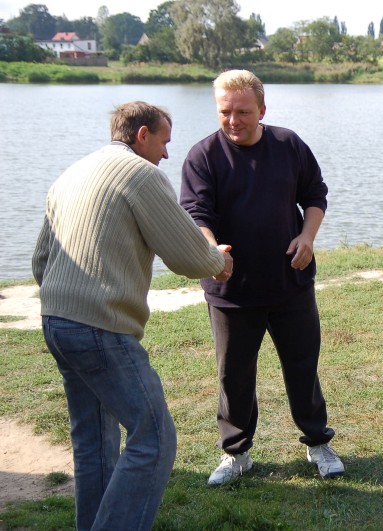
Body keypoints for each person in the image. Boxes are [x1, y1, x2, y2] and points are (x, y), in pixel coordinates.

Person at [32, 101, 233, 531]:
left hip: (57, 322)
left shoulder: (72, 173)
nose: (165, 154)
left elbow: (40, 261)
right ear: (142, 135)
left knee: (95, 444)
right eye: (163, 142)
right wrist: (218, 261)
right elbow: (185, 254)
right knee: (155, 438)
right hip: (100, 329)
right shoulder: (140, 175)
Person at [180, 69, 344, 485]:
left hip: (290, 281)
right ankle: (237, 453)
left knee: (303, 365)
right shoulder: (203, 157)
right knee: (233, 373)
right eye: (225, 111)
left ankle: (317, 442)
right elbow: (197, 213)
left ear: (262, 110)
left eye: (243, 112)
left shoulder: (289, 145)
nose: (233, 120)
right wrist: (212, 249)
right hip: (230, 287)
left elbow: (315, 194)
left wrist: (307, 237)